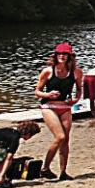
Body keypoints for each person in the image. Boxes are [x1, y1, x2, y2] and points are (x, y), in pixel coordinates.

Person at [35, 42, 82, 179]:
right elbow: (37, 92)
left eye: (65, 54)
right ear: (55, 56)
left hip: (65, 107)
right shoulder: (48, 71)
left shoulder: (76, 72)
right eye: (59, 54)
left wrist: (75, 100)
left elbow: (79, 89)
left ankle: (63, 172)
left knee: (66, 140)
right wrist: (48, 95)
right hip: (49, 107)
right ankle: (45, 168)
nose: (62, 56)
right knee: (60, 137)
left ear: (70, 57)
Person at [0, 121, 42, 188]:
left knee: (2, 154)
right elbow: (8, 158)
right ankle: (1, 178)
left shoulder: (10, 131)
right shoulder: (15, 138)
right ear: (28, 134)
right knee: (5, 157)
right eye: (32, 135)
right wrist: (2, 174)